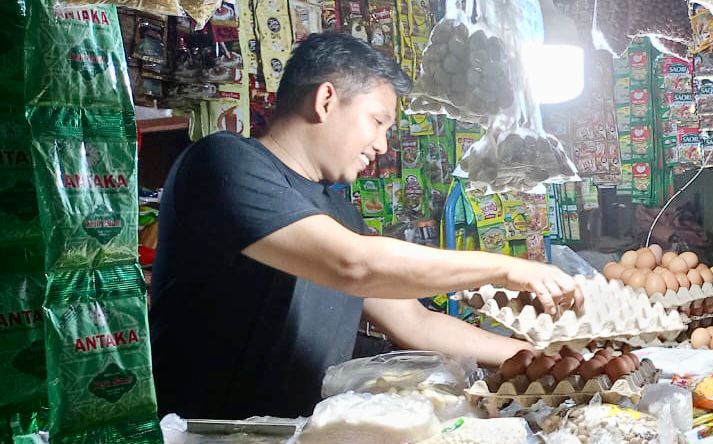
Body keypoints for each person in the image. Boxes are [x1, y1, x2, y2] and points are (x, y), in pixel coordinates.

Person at [150, 33, 582, 420]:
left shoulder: (335, 209)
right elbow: (353, 264)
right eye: (377, 121)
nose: (381, 145)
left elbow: (414, 322)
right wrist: (504, 268)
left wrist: (543, 357)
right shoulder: (223, 164)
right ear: (325, 100)